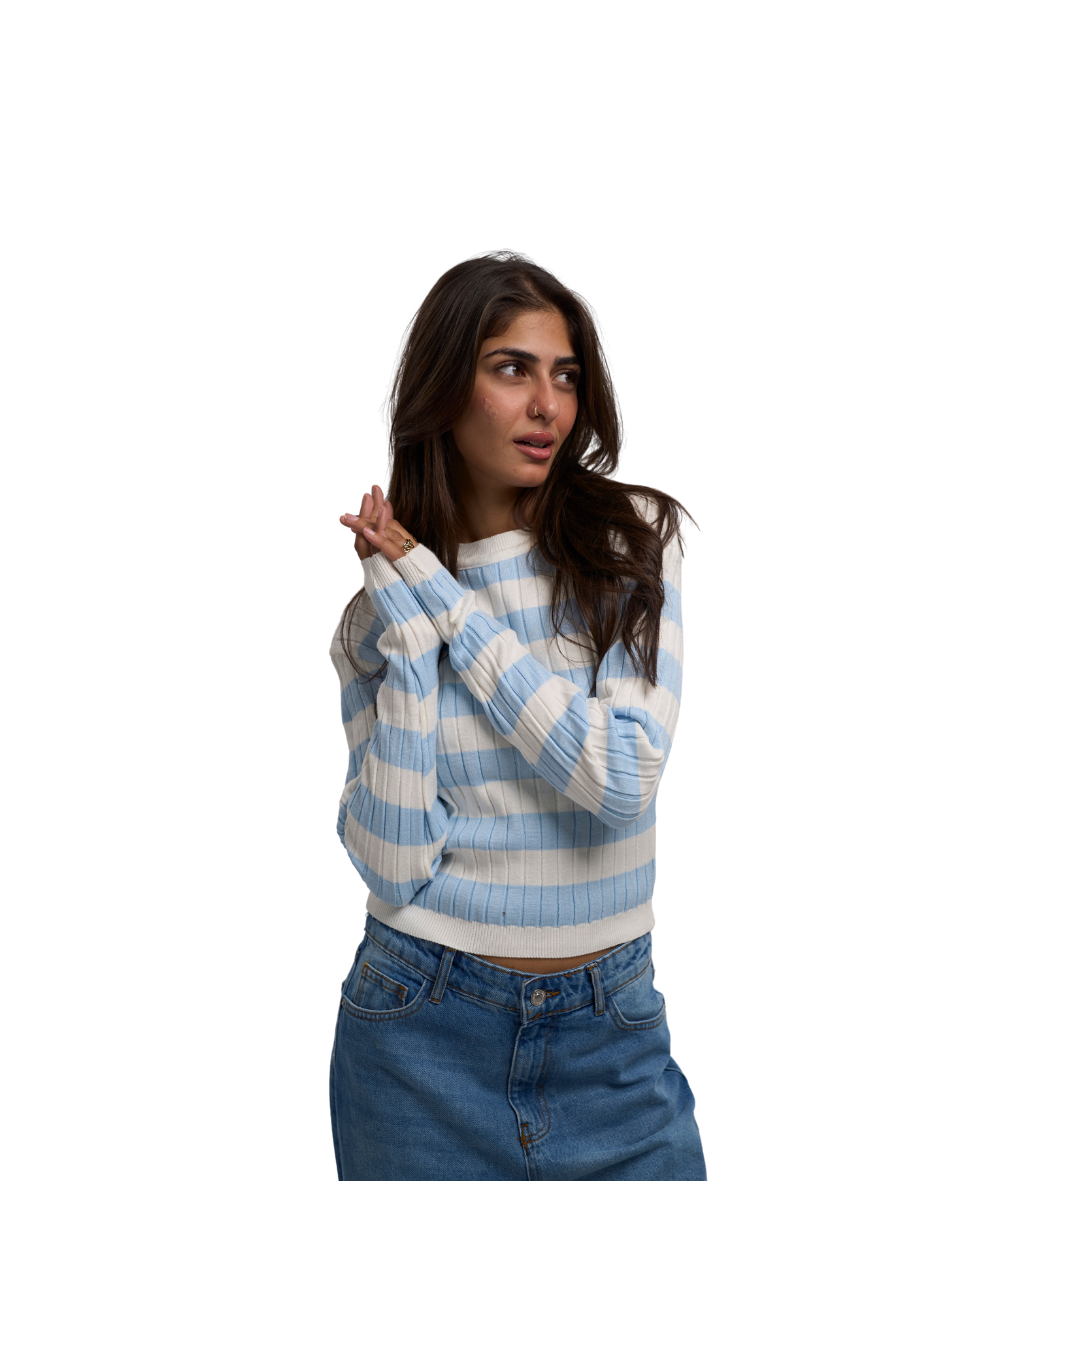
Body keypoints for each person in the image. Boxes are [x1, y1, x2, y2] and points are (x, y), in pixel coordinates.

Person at [329, 252, 706, 1180]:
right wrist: (410, 642)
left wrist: (445, 604)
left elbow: (621, 778)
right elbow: (395, 863)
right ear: (443, 388)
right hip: (417, 1032)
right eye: (512, 369)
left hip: (612, 1039)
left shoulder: (630, 542)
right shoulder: (379, 617)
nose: (548, 406)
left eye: (565, 376)